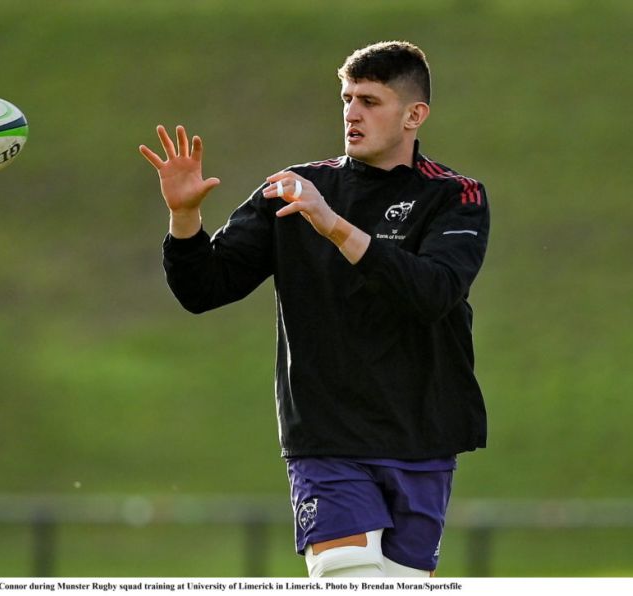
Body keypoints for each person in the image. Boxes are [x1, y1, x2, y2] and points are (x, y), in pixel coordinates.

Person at [139, 41, 489, 578]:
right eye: (348, 99)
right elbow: (203, 289)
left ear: (414, 114)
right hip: (326, 438)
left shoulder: (454, 196)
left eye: (370, 101)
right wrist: (184, 219)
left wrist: (333, 226)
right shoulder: (292, 191)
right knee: (349, 575)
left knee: (398, 584)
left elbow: (434, 292)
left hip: (422, 434)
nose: (352, 113)